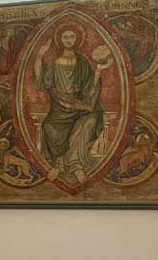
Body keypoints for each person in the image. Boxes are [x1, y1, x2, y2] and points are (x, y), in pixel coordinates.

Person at [33, 25, 110, 184]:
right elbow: (41, 81)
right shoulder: (54, 64)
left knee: (90, 121)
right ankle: (59, 161)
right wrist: (39, 55)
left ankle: (74, 163)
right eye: (65, 37)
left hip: (80, 107)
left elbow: (89, 88)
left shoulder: (82, 62)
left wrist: (98, 71)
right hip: (59, 108)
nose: (68, 40)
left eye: (72, 36)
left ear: (77, 40)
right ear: (60, 40)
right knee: (49, 126)